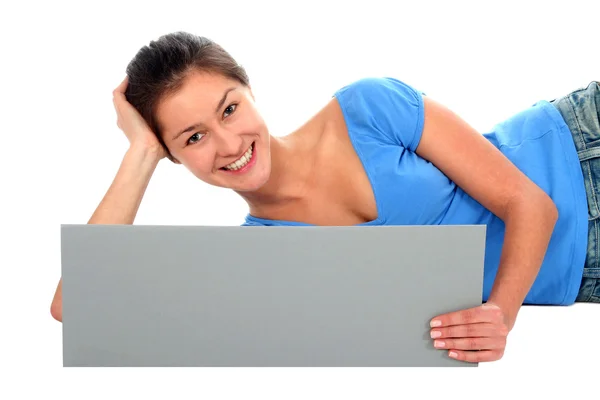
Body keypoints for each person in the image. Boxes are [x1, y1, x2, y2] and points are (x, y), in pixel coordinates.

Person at [50, 31, 600, 363]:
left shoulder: (367, 107)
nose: (227, 143)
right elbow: (75, 306)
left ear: (250, 92)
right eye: (191, 138)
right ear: (173, 155)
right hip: (582, 276)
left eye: (229, 108)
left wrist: (499, 316)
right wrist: (139, 153)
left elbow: (531, 204)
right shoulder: (262, 256)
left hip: (576, 148)